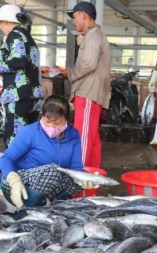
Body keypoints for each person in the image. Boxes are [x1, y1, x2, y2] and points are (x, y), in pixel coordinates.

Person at [0, 95, 95, 218]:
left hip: (48, 185)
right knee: (53, 170)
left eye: (57, 123)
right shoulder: (30, 132)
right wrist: (14, 179)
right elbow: (6, 158)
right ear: (42, 115)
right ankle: (23, 214)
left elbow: (76, 168)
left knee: (77, 177)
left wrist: (84, 178)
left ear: (67, 120)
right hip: (17, 185)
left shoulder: (73, 135)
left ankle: (49, 210)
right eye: (47, 121)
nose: (51, 127)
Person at [0, 4, 43, 148]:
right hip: (33, 95)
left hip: (18, 94)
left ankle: (15, 169)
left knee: (14, 138)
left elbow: (18, 61)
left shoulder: (14, 35)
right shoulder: (28, 37)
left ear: (5, 21)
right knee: (32, 137)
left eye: (0, 22)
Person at [63, 2, 110, 168]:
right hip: (93, 94)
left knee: (82, 138)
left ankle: (78, 183)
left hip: (88, 93)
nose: (74, 21)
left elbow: (87, 64)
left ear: (83, 15)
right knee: (93, 141)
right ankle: (91, 182)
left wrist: (69, 73)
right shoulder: (95, 35)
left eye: (74, 17)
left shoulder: (92, 36)